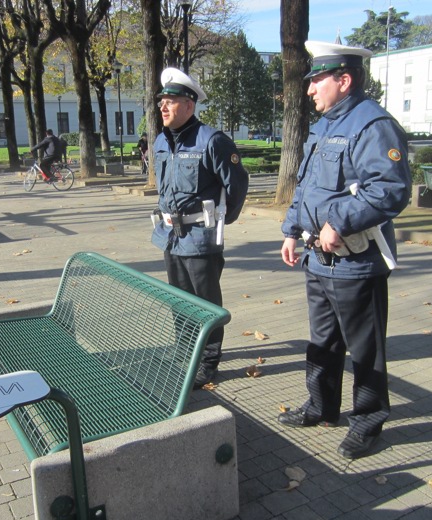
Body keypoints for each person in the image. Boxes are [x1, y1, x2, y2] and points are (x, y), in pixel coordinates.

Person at [277, 41, 411, 459]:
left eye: (317, 80)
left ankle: (368, 422)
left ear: (344, 80)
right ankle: (321, 406)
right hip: (317, 258)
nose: (310, 89)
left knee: (365, 348)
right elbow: (307, 187)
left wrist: (340, 221)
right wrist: (291, 229)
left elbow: (390, 190)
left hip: (356, 262)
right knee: (322, 341)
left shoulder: (372, 126)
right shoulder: (323, 127)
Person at [151, 67, 249, 389]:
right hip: (171, 237)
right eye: (161, 100)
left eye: (170, 100)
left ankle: (208, 361)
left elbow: (238, 183)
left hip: (199, 238)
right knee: (178, 298)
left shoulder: (212, 141)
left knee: (205, 302)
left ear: (189, 105)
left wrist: (222, 220)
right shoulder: (161, 143)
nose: (162, 106)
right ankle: (186, 351)